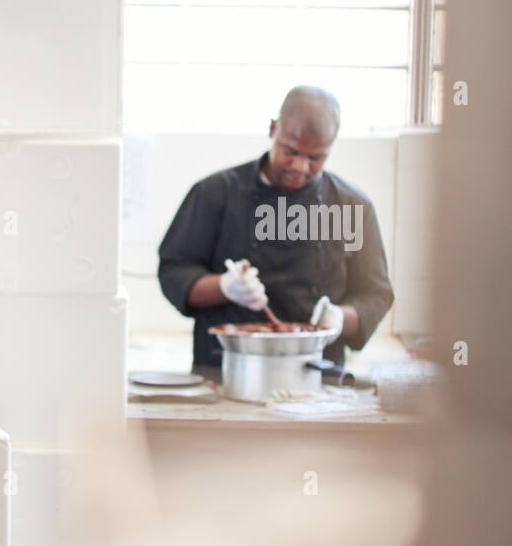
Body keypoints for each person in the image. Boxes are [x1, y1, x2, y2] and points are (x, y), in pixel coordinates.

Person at [157, 86, 394, 372]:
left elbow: (376, 295)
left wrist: (339, 318)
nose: (300, 166)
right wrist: (223, 287)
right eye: (290, 151)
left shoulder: (351, 207)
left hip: (317, 376)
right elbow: (173, 271)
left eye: (315, 158)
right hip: (226, 371)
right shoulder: (215, 194)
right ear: (273, 129)